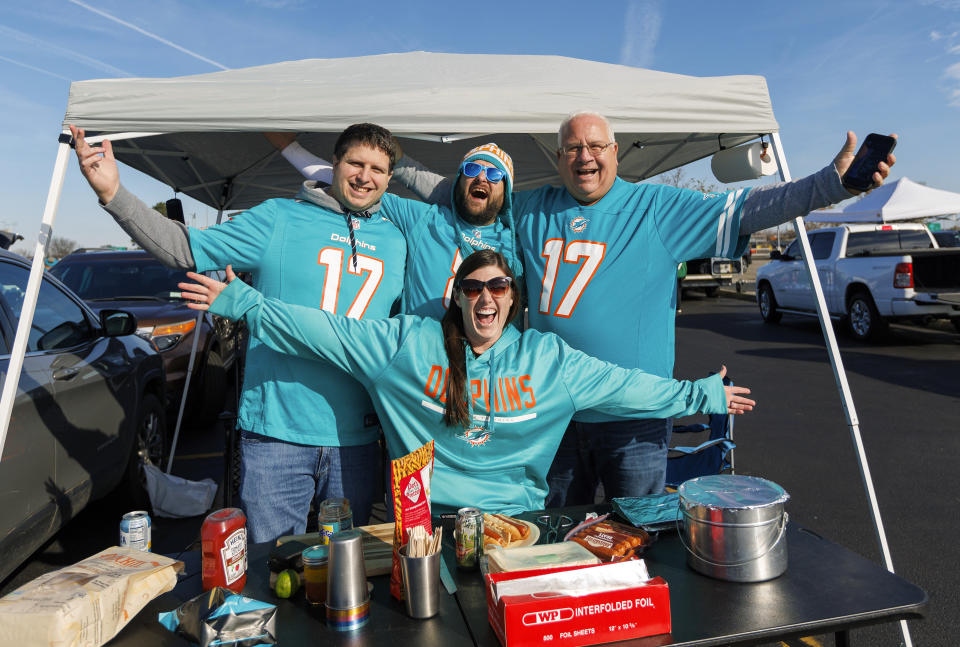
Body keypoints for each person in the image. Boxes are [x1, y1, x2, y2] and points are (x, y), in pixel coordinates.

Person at [352, 113, 897, 505]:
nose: (584, 156)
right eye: (571, 148)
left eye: (596, 146)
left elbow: (750, 207)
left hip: (632, 420)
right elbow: (459, 190)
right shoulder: (533, 206)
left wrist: (830, 185)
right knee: (557, 540)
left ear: (615, 152)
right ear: (558, 158)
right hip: (551, 417)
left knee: (636, 543)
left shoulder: (656, 207)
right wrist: (386, 167)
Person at [178, 250, 755, 514]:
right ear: (457, 297)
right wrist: (246, 303)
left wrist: (699, 394)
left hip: (518, 522)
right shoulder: (406, 344)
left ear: (513, 298)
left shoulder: (548, 359)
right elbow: (323, 330)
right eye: (474, 286)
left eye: (499, 286)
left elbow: (627, 386)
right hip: (426, 519)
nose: (486, 296)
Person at [70, 123, 408, 542]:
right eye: (356, 163)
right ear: (334, 164)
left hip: (356, 438)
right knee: (271, 572)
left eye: (377, 168)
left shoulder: (397, 239)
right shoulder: (279, 217)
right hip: (276, 434)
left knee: (349, 574)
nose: (364, 176)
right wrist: (113, 195)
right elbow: (183, 248)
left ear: (389, 179)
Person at [267, 134, 523, 319]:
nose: (481, 177)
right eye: (472, 169)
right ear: (459, 179)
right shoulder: (424, 218)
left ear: (507, 192)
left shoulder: (516, 245)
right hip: (418, 360)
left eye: (494, 175)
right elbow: (354, 186)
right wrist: (290, 148)